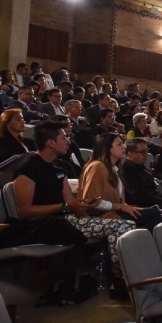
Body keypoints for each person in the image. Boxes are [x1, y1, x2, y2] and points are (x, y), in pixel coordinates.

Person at [12, 121, 133, 291]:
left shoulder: (59, 167)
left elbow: (72, 204)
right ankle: (120, 280)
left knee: (127, 224)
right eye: (64, 137)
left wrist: (88, 219)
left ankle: (121, 278)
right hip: (42, 225)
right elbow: (25, 211)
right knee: (120, 226)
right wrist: (65, 206)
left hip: (67, 220)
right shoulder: (28, 167)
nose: (69, 141)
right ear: (50, 142)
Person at [78, 133, 162, 231]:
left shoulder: (115, 169)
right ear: (107, 148)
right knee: (153, 214)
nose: (124, 147)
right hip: (101, 217)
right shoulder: (97, 166)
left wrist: (126, 206)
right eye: (119, 144)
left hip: (114, 212)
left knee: (155, 212)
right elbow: (90, 201)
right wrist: (120, 206)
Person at [120, 138, 162, 219]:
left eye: (147, 150)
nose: (146, 154)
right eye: (143, 152)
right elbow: (139, 196)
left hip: (155, 203)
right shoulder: (125, 170)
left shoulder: (143, 170)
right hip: (143, 207)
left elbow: (155, 194)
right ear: (130, 154)